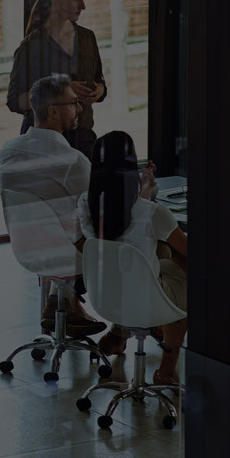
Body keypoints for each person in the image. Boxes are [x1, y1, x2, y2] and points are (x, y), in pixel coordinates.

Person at [0, 74, 105, 337]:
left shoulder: (7, 151)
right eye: (74, 103)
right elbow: (95, 214)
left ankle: (61, 300)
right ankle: (132, 327)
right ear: (53, 111)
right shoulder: (72, 160)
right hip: (65, 253)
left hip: (26, 249)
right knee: (127, 234)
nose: (80, 109)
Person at [77, 131, 189, 385]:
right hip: (147, 300)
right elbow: (191, 251)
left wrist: (144, 190)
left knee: (164, 259)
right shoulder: (154, 213)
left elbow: (127, 222)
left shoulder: (86, 204)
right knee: (190, 275)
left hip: (107, 297)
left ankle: (119, 332)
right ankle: (166, 371)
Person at [6, 0, 106, 159]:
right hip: (43, 144)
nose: (83, 6)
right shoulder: (31, 47)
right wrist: (62, 90)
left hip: (82, 140)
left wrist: (99, 90)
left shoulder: (87, 37)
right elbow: (14, 101)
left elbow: (99, 80)